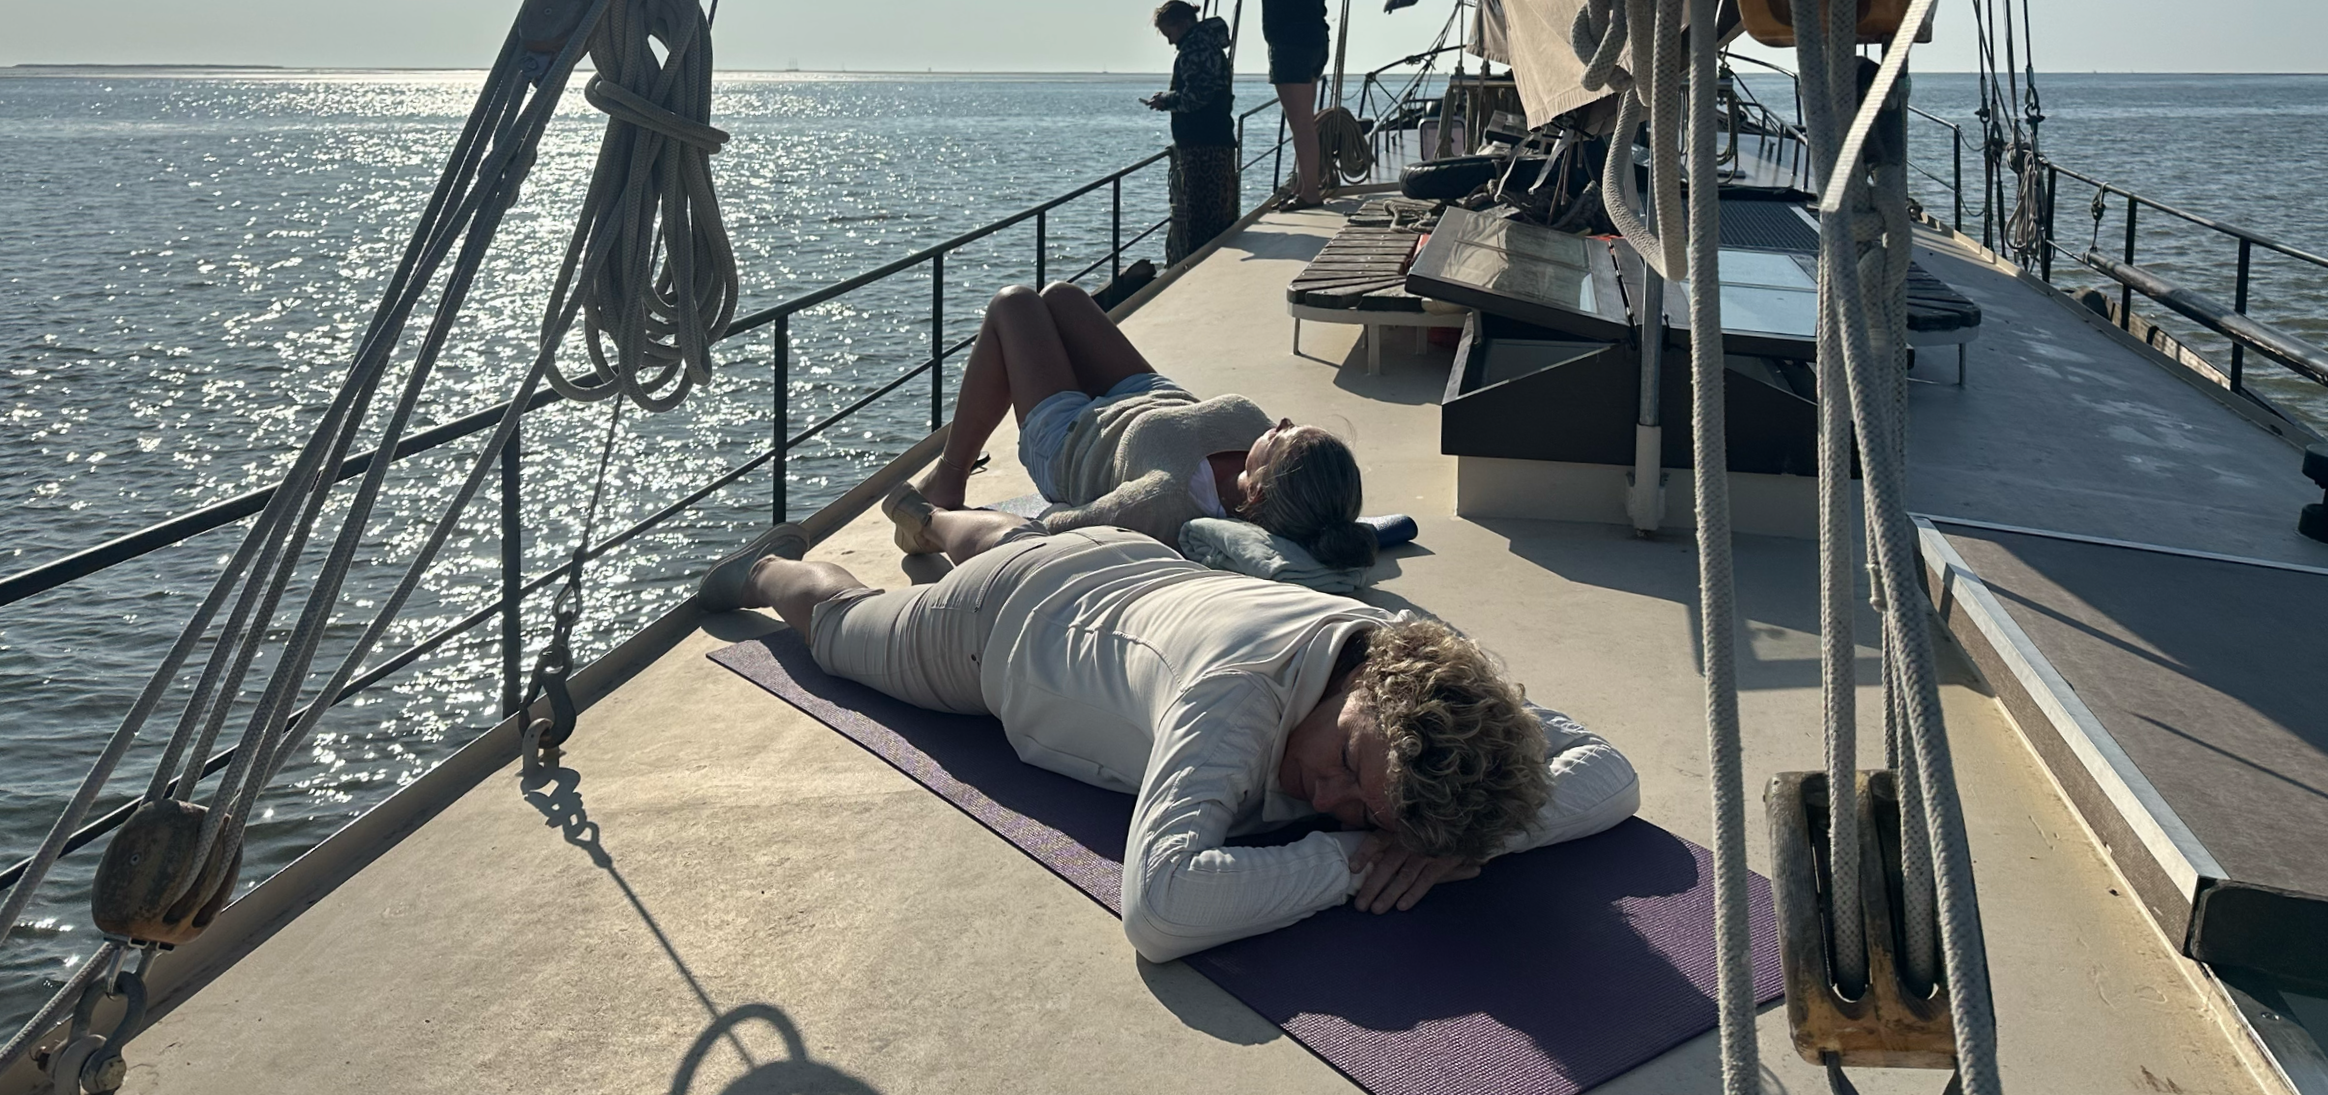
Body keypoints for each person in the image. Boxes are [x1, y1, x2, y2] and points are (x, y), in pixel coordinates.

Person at [698, 511, 1641, 962]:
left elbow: (1613, 773)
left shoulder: (1420, 673)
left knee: (1012, 534)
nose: (1329, 796)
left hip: (1127, 561)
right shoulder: (1239, 696)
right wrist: (1359, 853)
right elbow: (1162, 906)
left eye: (1364, 808)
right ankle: (772, 564)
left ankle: (940, 518)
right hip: (995, 625)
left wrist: (1450, 843)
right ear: (1365, 683)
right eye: (1350, 764)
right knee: (841, 626)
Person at [899, 280, 1378, 571]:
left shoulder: (1165, 500)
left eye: (1281, 438)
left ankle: (951, 474)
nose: (1283, 422)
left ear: (1254, 492)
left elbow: (1059, 525)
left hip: (1075, 439)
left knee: (1014, 304)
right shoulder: (1282, 470)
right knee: (1063, 298)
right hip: (1149, 395)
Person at [1145, 1, 1239, 263]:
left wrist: (1166, 100)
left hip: (1203, 143)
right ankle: (1217, 263)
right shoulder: (1206, 45)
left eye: (1168, 34)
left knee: (1202, 216)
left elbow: (1197, 97)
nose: (1169, 41)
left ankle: (1204, 267)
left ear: (1182, 24)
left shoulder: (1196, 48)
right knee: (1220, 212)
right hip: (1216, 139)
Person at [1261, 0, 1331, 208]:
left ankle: (1310, 192)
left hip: (1289, 44)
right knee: (1305, 123)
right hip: (1315, 38)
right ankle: (1302, 187)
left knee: (1301, 126)